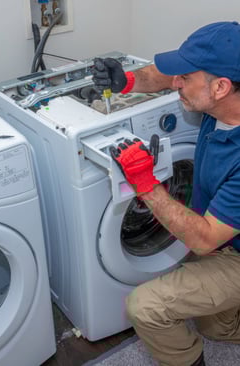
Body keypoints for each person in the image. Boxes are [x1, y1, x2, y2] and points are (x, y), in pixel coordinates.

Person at [92, 21, 240, 366]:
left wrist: (145, 184)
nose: (175, 84)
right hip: (225, 240)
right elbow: (162, 74)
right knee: (217, 328)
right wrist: (127, 81)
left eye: (185, 79)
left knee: (147, 306)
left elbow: (204, 240)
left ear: (220, 87)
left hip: (226, 247)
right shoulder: (223, 98)